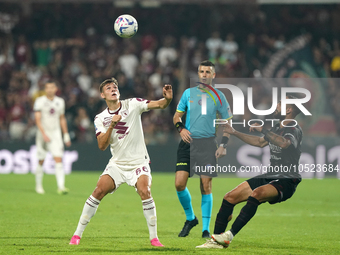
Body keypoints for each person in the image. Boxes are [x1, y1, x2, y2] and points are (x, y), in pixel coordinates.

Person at [69, 77, 172, 247]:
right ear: (102, 95)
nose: (113, 89)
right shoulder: (100, 118)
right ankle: (77, 235)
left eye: (114, 87)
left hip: (139, 162)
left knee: (145, 191)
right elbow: (102, 145)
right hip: (117, 164)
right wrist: (111, 126)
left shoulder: (133, 104)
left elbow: (159, 105)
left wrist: (167, 99)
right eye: (108, 88)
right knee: (98, 191)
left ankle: (154, 238)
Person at [197, 96, 303, 249]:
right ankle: (215, 241)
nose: (277, 105)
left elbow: (284, 143)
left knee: (257, 194)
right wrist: (234, 132)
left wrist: (263, 130)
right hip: (270, 176)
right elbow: (260, 142)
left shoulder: (293, 129)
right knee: (229, 197)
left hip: (286, 180)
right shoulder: (278, 127)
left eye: (280, 103)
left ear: (288, 110)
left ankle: (229, 235)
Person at [174, 60, 232, 238]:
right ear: (198, 74)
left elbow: (227, 123)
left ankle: (205, 229)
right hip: (187, 143)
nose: (204, 74)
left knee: (206, 185)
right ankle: (191, 218)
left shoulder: (219, 96)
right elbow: (177, 115)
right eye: (202, 71)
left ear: (213, 75)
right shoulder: (188, 93)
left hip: (207, 145)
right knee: (179, 184)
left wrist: (223, 145)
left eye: (208, 72)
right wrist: (181, 128)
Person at [33, 81, 71, 194]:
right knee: (41, 160)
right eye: (47, 88)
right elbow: (37, 119)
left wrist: (66, 134)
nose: (49, 90)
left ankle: (61, 186)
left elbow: (62, 118)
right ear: (45, 89)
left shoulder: (60, 102)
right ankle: (38, 186)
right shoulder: (39, 101)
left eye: (52, 87)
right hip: (42, 134)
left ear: (55, 89)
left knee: (58, 158)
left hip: (55, 134)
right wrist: (44, 134)